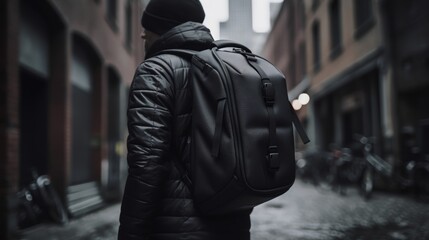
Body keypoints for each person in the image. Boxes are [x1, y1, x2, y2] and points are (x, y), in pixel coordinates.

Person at [118, 0, 252, 239]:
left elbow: (147, 165)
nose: (141, 33)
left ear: (163, 28)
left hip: (176, 229)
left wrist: (130, 233)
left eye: (147, 26)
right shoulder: (228, 69)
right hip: (234, 224)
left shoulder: (155, 71)